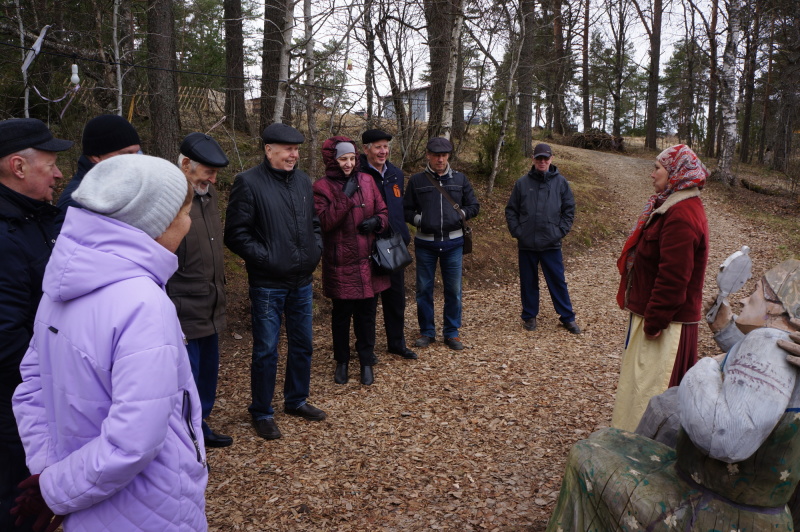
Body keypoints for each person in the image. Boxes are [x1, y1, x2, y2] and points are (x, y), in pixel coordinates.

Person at [12, 154, 208, 531]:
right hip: (151, 506)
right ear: (155, 225)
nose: (188, 223)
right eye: (184, 214)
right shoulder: (143, 304)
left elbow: (30, 390)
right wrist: (54, 488)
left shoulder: (59, 287)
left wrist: (49, 473)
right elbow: (134, 440)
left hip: (86, 501)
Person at [546, 259, 800, 531]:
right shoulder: (778, 345)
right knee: (609, 436)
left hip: (711, 507)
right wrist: (726, 331)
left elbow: (726, 435)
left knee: (587, 454)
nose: (744, 299)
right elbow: (763, 380)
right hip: (750, 504)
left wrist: (707, 367)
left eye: (757, 290)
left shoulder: (766, 343)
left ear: (776, 305)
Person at [224, 123, 325, 441]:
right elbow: (235, 234)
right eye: (287, 149)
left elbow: (314, 223)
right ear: (269, 150)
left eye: (296, 149)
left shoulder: (304, 181)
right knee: (266, 349)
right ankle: (262, 411)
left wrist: (314, 250)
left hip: (302, 281)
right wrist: (268, 258)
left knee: (303, 345)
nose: (294, 154)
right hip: (268, 283)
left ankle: (296, 401)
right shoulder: (248, 182)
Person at [0, 118, 72, 532]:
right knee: (18, 499)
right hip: (18, 408)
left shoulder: (40, 220)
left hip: (41, 395)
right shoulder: (6, 237)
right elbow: (7, 341)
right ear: (18, 166)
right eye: (51, 163)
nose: (60, 173)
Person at [611, 144, 709, 432]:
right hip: (655, 317)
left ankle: (641, 447)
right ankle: (628, 437)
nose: (652, 174)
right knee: (639, 385)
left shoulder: (681, 214)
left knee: (651, 388)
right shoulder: (672, 205)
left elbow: (674, 278)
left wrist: (655, 322)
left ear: (675, 173)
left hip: (667, 326)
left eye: (657, 168)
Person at [167, 132, 232, 449]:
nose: (214, 179)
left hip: (211, 302)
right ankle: (183, 435)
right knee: (184, 377)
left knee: (207, 373)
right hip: (181, 307)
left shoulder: (209, 196)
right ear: (187, 164)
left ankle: (200, 424)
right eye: (209, 171)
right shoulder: (167, 197)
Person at [314, 136, 390, 386]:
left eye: (351, 159)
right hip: (340, 263)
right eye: (342, 159)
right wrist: (345, 197)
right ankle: (342, 361)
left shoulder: (367, 180)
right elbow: (324, 223)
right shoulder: (322, 187)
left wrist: (377, 222)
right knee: (341, 316)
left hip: (368, 262)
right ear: (332, 160)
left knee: (367, 316)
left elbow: (383, 211)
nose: (348, 164)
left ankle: (366, 361)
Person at [403, 137, 479, 351]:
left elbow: (474, 205)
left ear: (448, 156)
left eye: (444, 155)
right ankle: (427, 331)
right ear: (428, 155)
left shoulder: (460, 179)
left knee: (453, 289)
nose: (440, 159)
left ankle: (451, 332)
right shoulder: (417, 181)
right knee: (424, 289)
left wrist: (461, 214)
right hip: (425, 244)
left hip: (454, 243)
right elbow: (406, 209)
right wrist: (420, 220)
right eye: (436, 155)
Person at [505, 143, 580, 335]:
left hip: (551, 243)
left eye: (546, 158)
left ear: (551, 159)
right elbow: (511, 210)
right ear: (533, 160)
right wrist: (518, 231)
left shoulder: (561, 182)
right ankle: (529, 315)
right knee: (528, 281)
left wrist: (559, 231)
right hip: (527, 243)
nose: (542, 161)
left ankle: (567, 317)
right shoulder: (522, 183)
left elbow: (569, 210)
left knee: (557, 281)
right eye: (539, 158)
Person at [360, 129, 416, 360]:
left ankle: (396, 343)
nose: (383, 151)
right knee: (368, 302)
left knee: (395, 299)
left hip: (394, 247)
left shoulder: (395, 174)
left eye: (386, 147)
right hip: (369, 246)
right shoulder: (358, 174)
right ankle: (367, 349)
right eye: (377, 147)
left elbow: (398, 209)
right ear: (366, 149)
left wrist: (403, 235)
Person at [56, 114, 140, 220]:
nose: (137, 160)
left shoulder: (120, 187)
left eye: (137, 152)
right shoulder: (78, 203)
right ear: (96, 156)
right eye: (127, 153)